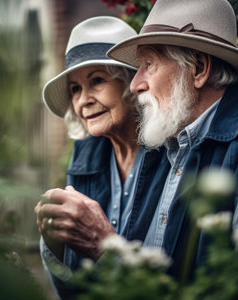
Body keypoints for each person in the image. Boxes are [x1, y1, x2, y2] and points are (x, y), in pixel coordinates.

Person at [105, 0, 238, 299]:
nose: (135, 84)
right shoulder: (169, 148)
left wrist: (102, 243)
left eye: (149, 64)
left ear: (199, 68)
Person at [35, 16, 169, 299]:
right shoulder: (85, 156)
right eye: (75, 89)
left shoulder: (172, 154)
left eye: (96, 81)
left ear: (132, 84)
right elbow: (72, 285)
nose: (83, 100)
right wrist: (53, 243)